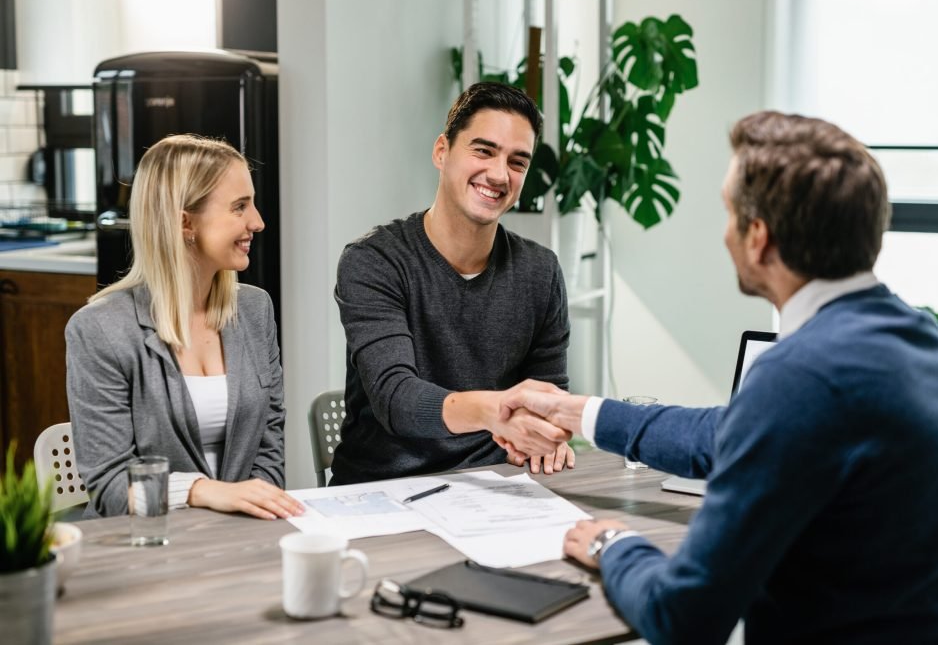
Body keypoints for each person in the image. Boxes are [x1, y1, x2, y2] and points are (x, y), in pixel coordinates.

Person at [497, 111, 938, 643]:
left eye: (729, 213)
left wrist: (614, 544)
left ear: (758, 236)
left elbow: (682, 618)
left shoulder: (800, 376)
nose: (725, 233)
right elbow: (731, 433)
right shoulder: (920, 336)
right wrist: (577, 411)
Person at [332, 82, 573, 485]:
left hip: (498, 486)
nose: (499, 174)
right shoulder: (374, 261)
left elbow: (547, 397)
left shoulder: (540, 271)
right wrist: (497, 411)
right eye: (483, 150)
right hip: (384, 491)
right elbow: (398, 399)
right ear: (441, 151)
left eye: (518, 162)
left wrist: (550, 432)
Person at [66, 134, 305, 521]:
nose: (257, 222)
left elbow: (269, 444)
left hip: (243, 539)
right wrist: (203, 492)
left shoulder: (254, 309)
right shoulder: (100, 329)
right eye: (239, 207)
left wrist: (244, 521)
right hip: (145, 545)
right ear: (184, 222)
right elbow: (110, 489)